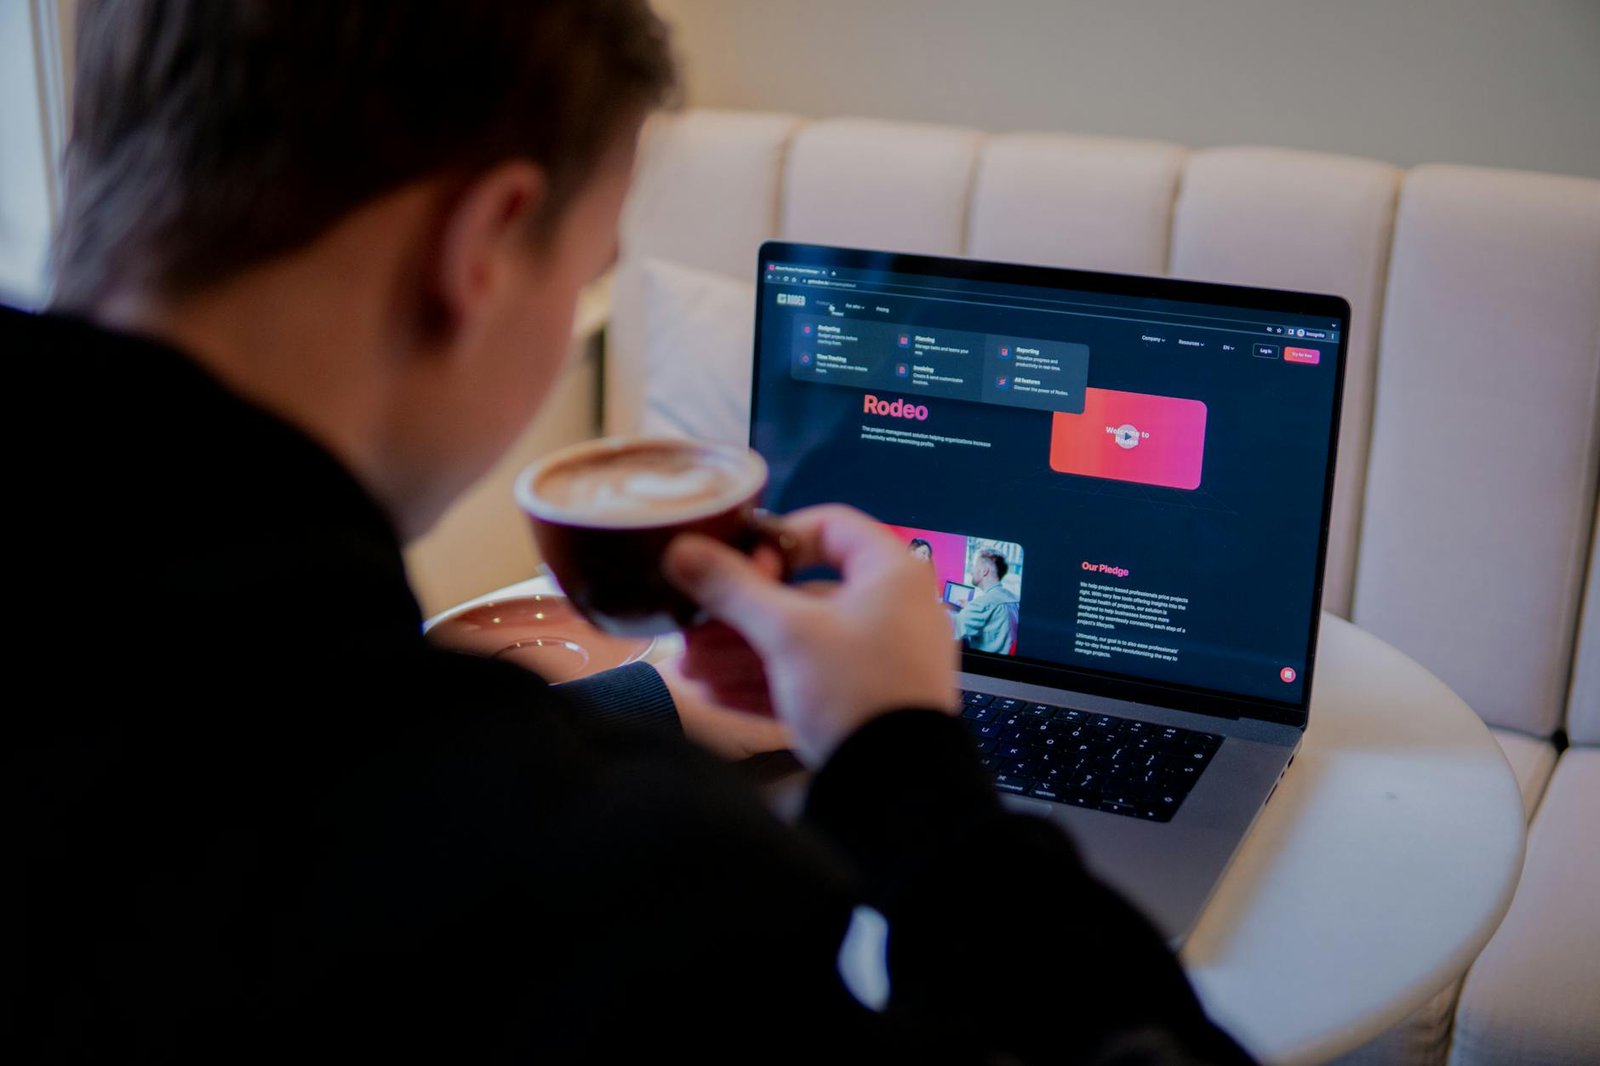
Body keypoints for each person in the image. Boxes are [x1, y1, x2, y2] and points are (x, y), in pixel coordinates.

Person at [5, 4, 1254, 1064]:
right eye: (589, 270)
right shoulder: (635, 902)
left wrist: (633, 714)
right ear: (483, 246)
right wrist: (905, 771)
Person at [954, 548, 1022, 654]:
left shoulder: (983, 603)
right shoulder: (1015, 598)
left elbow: (951, 630)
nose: (972, 571)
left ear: (984, 571)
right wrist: (969, 608)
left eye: (974, 566)